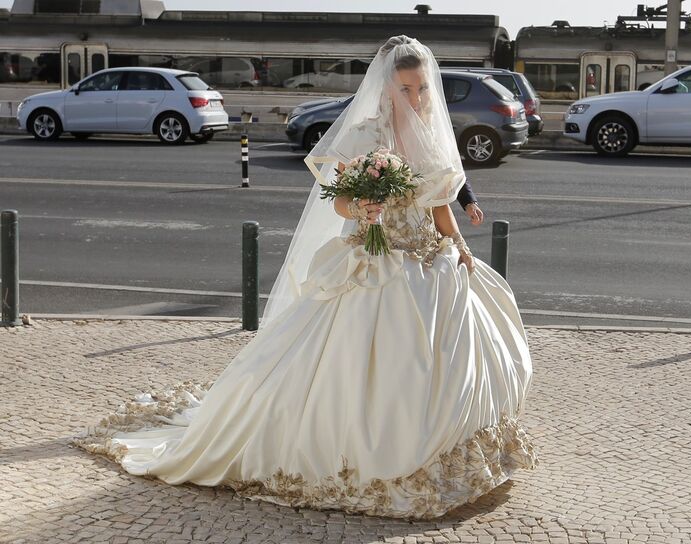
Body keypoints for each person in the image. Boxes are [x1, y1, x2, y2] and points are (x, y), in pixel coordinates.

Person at [73, 35, 537, 520]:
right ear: (385, 87)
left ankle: (451, 449)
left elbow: (440, 200)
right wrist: (362, 206)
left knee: (468, 340)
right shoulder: (365, 136)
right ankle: (368, 453)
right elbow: (336, 199)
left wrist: (459, 246)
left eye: (421, 88)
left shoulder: (431, 131)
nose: (416, 98)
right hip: (373, 261)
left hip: (429, 256)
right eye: (406, 88)